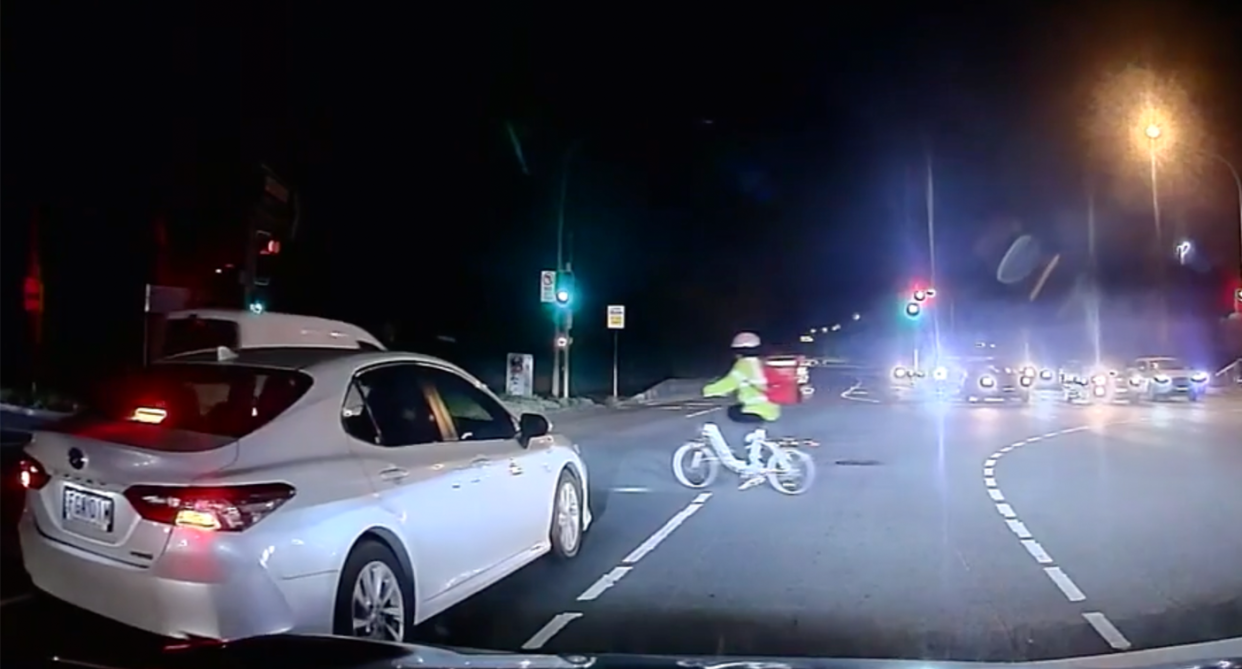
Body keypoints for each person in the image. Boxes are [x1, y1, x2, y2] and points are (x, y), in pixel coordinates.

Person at [701, 331, 780, 489]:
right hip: (770, 407)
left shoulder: (744, 364)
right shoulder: (760, 362)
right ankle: (754, 462)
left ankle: (747, 466)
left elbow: (729, 383)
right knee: (739, 416)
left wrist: (707, 390)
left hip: (755, 408)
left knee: (726, 420)